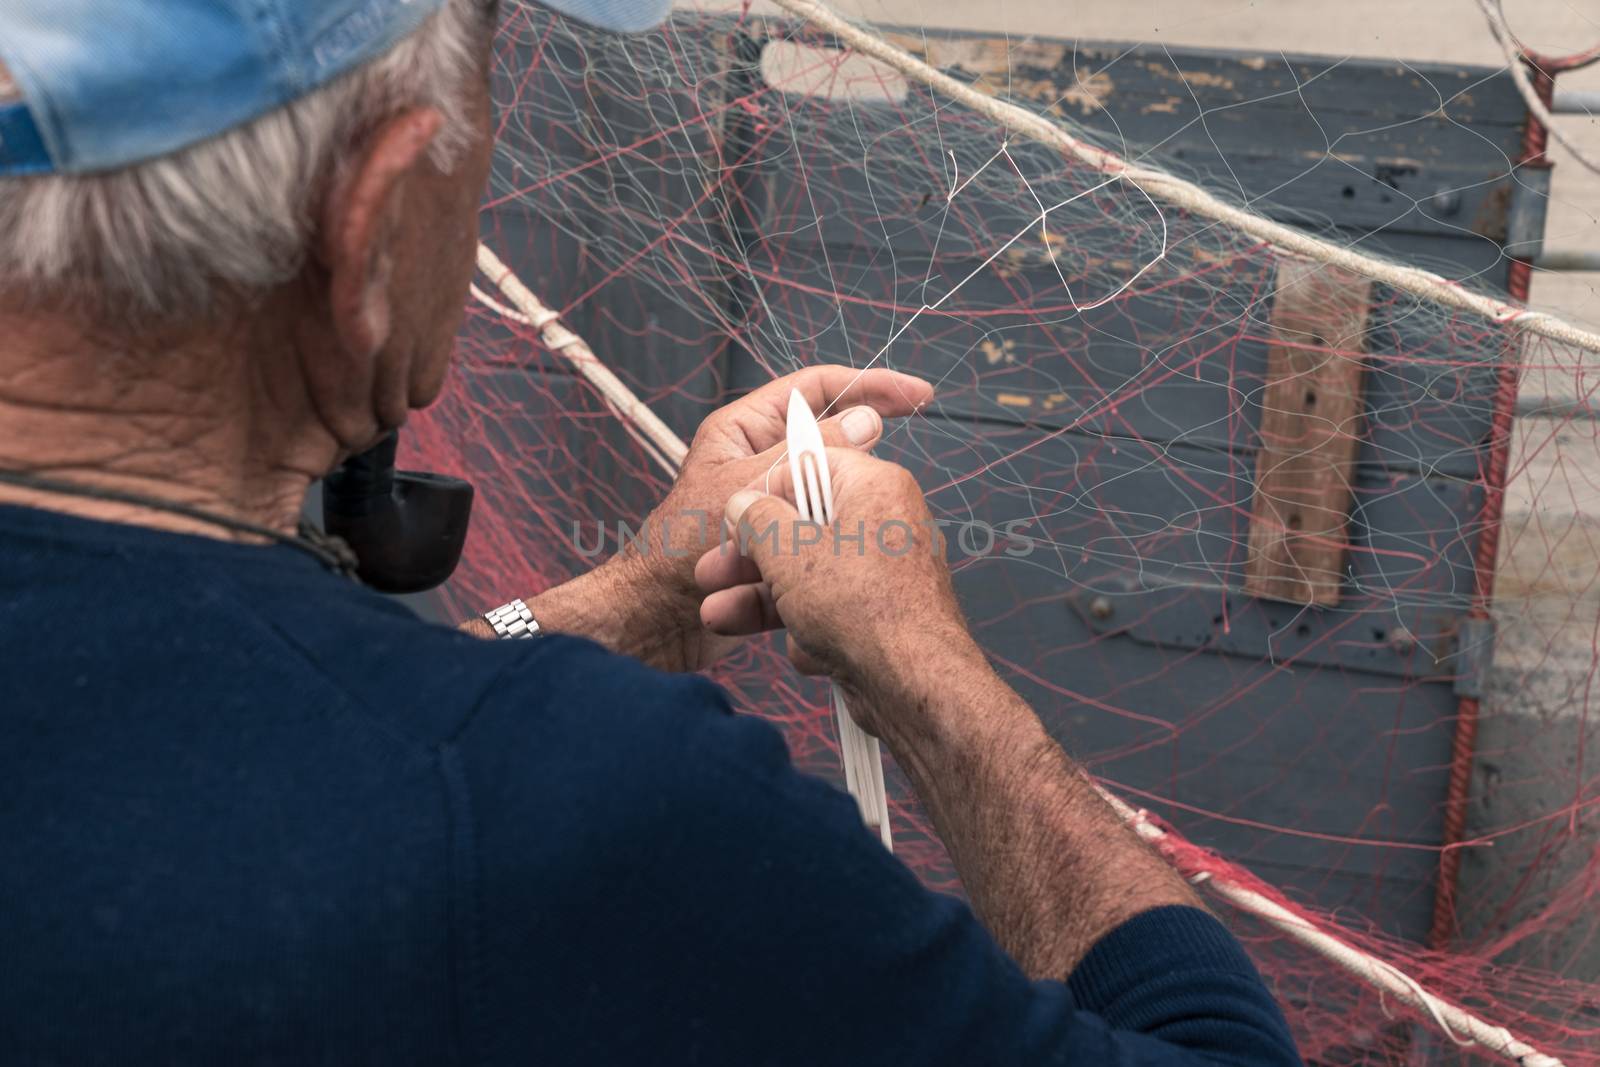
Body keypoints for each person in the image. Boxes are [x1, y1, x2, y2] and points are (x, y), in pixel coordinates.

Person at [0, 1, 1302, 1064]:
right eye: (490, 78)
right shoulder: (586, 814)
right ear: (374, 220)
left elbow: (251, 757)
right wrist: (923, 672)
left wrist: (645, 597)